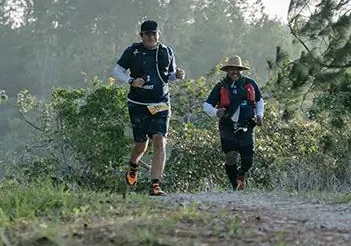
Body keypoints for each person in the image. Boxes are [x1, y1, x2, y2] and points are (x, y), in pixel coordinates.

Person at [109, 19, 185, 196]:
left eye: (154, 33)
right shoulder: (132, 51)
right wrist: (131, 81)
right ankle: (133, 164)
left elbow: (169, 76)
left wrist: (178, 75)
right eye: (148, 34)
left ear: (159, 34)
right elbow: (116, 71)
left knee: (159, 140)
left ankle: (155, 184)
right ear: (141, 35)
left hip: (161, 103)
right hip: (138, 104)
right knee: (140, 145)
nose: (151, 37)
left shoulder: (166, 51)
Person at [202, 55, 264, 191]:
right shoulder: (220, 86)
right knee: (230, 156)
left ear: (241, 70)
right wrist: (215, 112)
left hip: (247, 125)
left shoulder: (250, 83)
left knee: (248, 160)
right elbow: (207, 105)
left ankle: (241, 174)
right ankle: (235, 185)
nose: (234, 72)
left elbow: (259, 101)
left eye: (237, 69)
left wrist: (259, 115)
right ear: (227, 70)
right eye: (231, 69)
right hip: (227, 126)